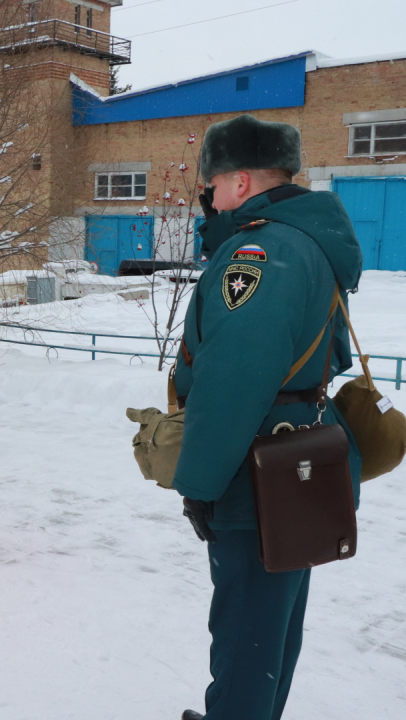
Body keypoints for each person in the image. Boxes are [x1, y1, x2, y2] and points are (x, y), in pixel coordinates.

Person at [172, 114, 363, 720]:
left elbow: (234, 378)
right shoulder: (305, 238)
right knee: (271, 627)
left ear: (242, 182)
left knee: (246, 632)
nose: (208, 198)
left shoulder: (260, 250)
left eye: (212, 185)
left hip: (257, 471)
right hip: (301, 463)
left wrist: (199, 485)